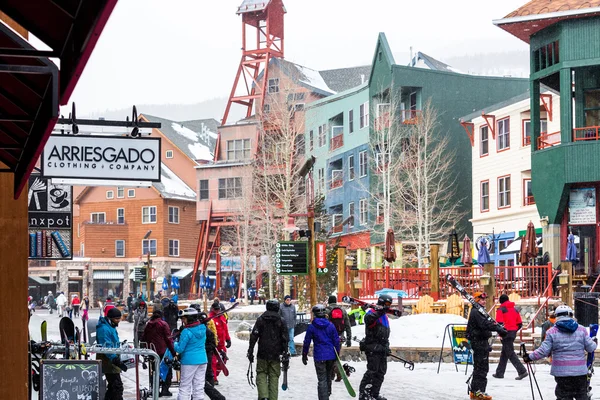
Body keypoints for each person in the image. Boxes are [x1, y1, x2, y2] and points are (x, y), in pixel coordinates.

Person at [524, 305, 597, 400]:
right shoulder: (581, 330)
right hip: (579, 372)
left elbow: (543, 351)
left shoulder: (552, 332)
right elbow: (591, 347)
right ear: (571, 315)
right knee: (581, 396)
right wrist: (594, 342)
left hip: (561, 373)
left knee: (563, 396)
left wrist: (530, 357)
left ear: (556, 316)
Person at [466, 292, 508, 400]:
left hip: (481, 341)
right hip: (478, 342)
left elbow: (487, 322)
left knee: (481, 367)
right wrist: (498, 329)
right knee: (481, 368)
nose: (484, 301)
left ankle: (476, 391)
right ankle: (478, 391)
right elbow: (484, 324)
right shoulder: (476, 312)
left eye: (484, 300)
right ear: (476, 300)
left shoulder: (480, 311)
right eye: (481, 300)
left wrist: (499, 327)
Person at [248, 299, 289, 400]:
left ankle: (263, 396)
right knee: (274, 377)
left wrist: (250, 350)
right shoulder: (281, 321)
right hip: (276, 354)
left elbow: (254, 336)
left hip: (262, 352)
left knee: (261, 373)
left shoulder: (261, 319)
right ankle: (272, 398)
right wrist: (285, 352)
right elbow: (285, 339)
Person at [358, 294, 393, 400]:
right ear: (381, 302)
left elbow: (385, 334)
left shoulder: (384, 316)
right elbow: (368, 319)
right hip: (373, 347)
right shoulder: (371, 313)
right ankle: (364, 394)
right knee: (372, 371)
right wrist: (379, 310)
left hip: (382, 349)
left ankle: (374, 393)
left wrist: (386, 346)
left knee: (381, 372)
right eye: (387, 304)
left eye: (389, 305)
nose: (388, 307)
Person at [302, 304, 340, 400]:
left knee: (322, 379)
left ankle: (324, 397)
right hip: (330, 355)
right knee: (328, 376)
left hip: (319, 356)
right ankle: (327, 393)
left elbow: (306, 342)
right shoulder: (331, 325)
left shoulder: (312, 327)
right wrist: (337, 354)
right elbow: (336, 341)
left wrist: (304, 354)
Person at [189, 305, 225, 400]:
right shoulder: (200, 329)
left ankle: (213, 396)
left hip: (203, 355)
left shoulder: (206, 330)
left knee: (202, 376)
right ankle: (209, 395)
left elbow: (213, 342)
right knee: (202, 376)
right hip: (201, 355)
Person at [174, 307, 208, 400]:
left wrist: (174, 343)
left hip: (189, 361)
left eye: (184, 319)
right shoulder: (203, 327)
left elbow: (180, 349)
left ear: (189, 319)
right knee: (199, 385)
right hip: (202, 360)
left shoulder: (186, 331)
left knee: (185, 385)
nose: (183, 321)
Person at [142, 309, 177, 397]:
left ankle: (155, 389)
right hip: (163, 351)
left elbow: (143, 338)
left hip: (152, 352)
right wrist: (173, 352)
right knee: (167, 370)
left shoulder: (148, 324)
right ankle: (165, 390)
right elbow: (168, 339)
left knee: (154, 371)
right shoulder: (163, 324)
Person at [493, 294, 528, 380]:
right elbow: (519, 324)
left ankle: (522, 371)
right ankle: (499, 373)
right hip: (512, 333)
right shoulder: (515, 309)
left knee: (510, 353)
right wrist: (514, 330)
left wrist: (500, 334)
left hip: (505, 332)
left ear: (501, 301)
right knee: (504, 353)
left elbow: (499, 324)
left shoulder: (501, 309)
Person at [97, 308, 128, 400]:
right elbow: (106, 346)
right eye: (116, 319)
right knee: (117, 386)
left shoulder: (111, 326)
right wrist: (115, 359)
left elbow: (113, 341)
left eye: (119, 319)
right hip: (108, 360)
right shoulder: (104, 329)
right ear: (110, 318)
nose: (118, 321)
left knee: (112, 386)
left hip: (113, 359)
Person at [326, 295, 352, 382]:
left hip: (329, 337)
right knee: (336, 355)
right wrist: (349, 338)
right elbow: (348, 325)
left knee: (330, 357)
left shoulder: (327, 310)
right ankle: (333, 374)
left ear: (329, 301)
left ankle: (338, 373)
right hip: (339, 337)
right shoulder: (343, 310)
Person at [209, 302, 231, 384]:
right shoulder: (210, 319)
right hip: (214, 344)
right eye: (216, 309)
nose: (218, 311)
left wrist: (228, 339)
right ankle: (213, 378)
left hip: (222, 344)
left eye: (219, 309)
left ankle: (216, 374)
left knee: (223, 360)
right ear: (213, 309)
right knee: (213, 361)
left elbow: (225, 330)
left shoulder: (222, 318)